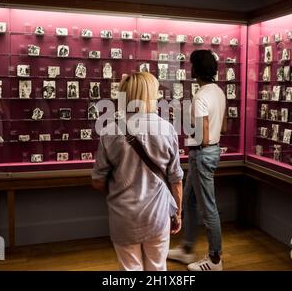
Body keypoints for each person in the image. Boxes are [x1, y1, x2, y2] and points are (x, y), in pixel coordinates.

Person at [91, 72, 183, 271]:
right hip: (158, 215)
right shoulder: (167, 129)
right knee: (158, 267)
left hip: (123, 216)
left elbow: (98, 181)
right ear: (151, 95)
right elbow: (176, 178)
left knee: (129, 269)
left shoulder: (109, 131)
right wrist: (178, 213)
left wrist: (118, 192)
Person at [168, 49, 226, 271]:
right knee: (190, 202)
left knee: (208, 208)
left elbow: (201, 136)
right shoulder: (219, 93)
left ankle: (215, 259)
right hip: (208, 152)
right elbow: (223, 126)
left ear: (197, 69)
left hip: (202, 154)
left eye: (192, 65)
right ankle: (187, 249)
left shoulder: (201, 95)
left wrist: (181, 119)